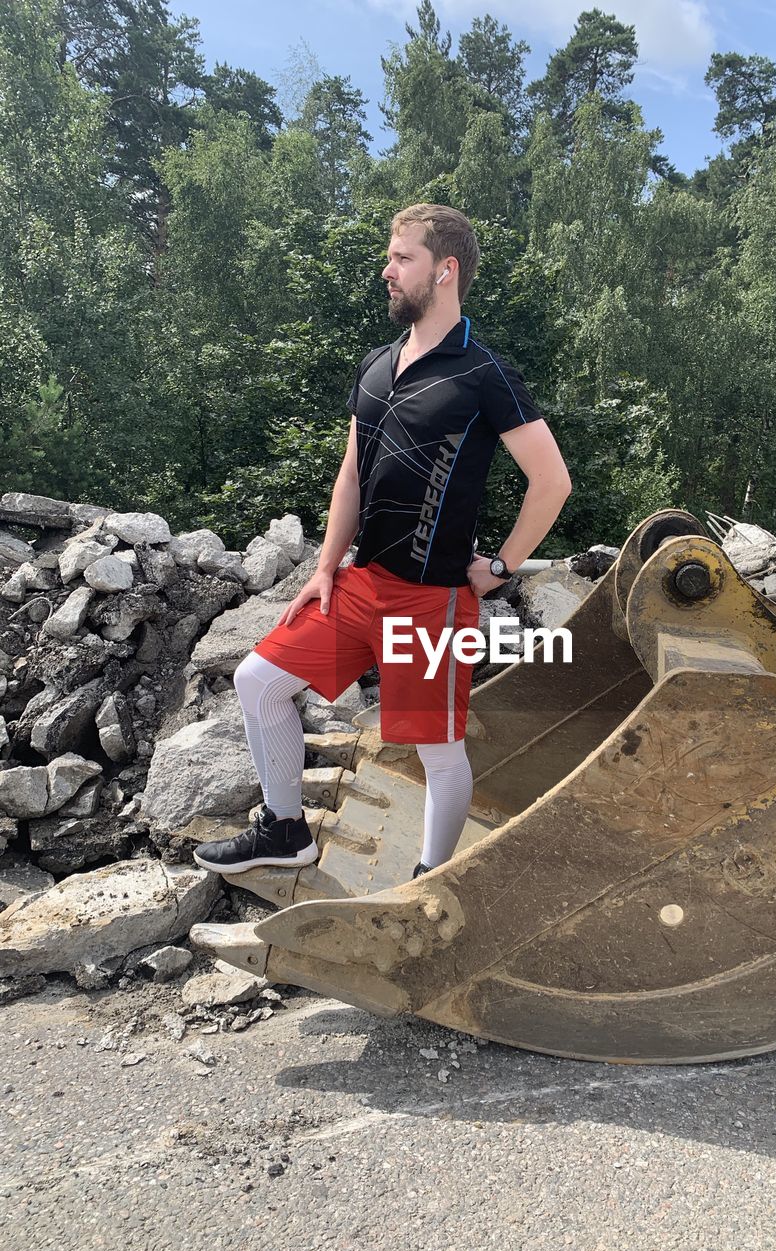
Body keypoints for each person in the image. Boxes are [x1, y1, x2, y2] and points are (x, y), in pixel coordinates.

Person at [193, 203, 572, 881]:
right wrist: (325, 562)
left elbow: (551, 481)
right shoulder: (378, 364)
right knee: (258, 681)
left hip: (432, 601)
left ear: (445, 270)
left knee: (438, 749)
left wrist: (499, 567)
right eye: (389, 257)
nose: (386, 271)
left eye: (402, 258)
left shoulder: (484, 374)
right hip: (361, 582)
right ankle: (286, 832)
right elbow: (352, 472)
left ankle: (429, 881)